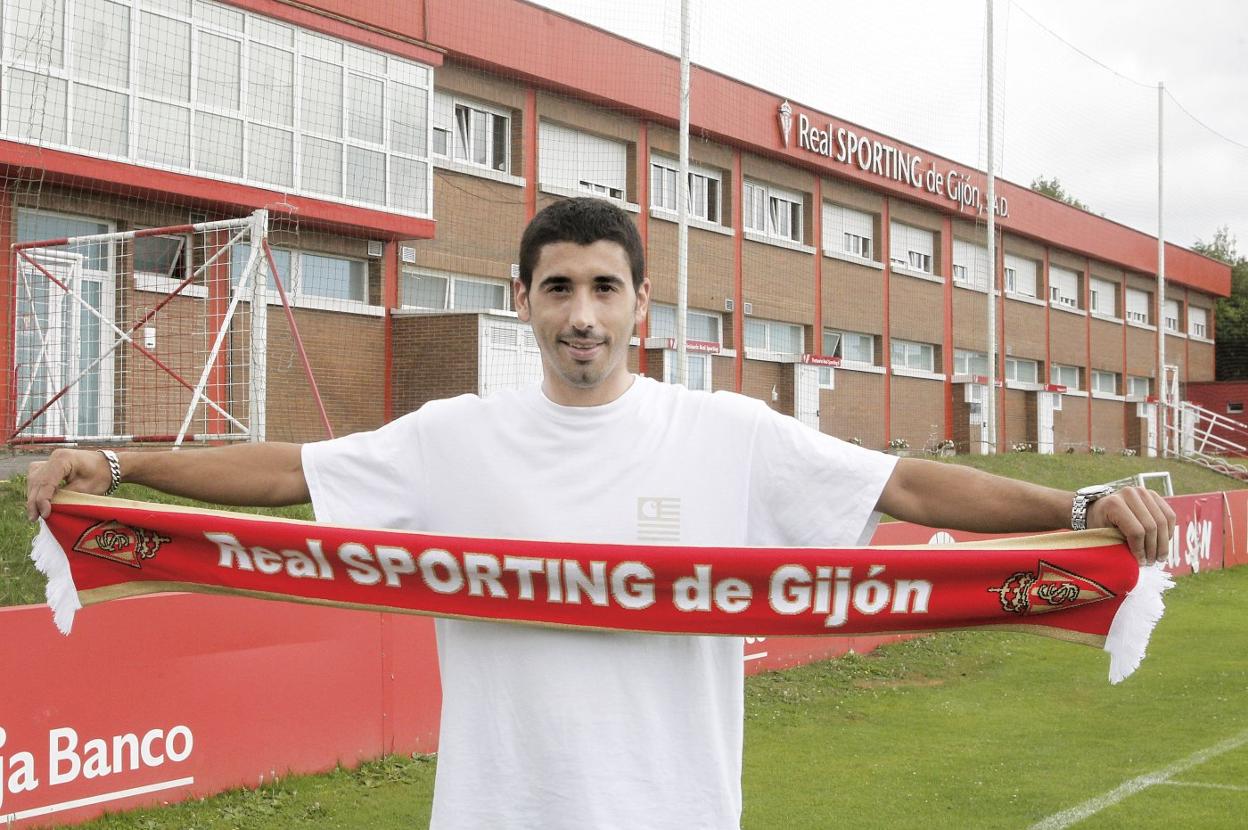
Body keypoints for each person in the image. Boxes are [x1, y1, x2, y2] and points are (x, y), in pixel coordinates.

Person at [26, 197, 1174, 830]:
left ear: (641, 305)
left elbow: (907, 487)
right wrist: (117, 460)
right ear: (521, 301)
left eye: (605, 286)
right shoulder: (452, 435)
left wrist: (1075, 500)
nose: (583, 312)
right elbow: (287, 474)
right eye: (560, 287)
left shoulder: (729, 430)